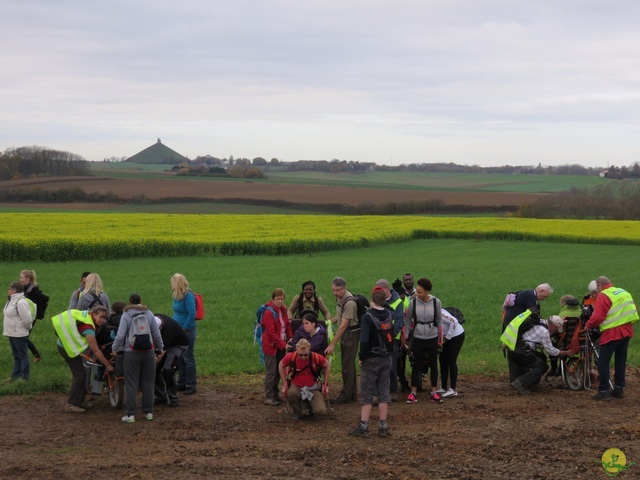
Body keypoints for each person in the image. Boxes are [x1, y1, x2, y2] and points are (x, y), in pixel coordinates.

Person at [349, 286, 393, 438]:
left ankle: (364, 426)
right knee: (383, 391)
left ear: (372, 300)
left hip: (371, 358)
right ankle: (383, 426)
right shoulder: (388, 314)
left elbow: (364, 340)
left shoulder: (368, 317)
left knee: (367, 393)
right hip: (386, 358)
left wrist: (362, 357)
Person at [52, 305, 114, 413]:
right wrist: (108, 365)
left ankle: (79, 401)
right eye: (101, 317)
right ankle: (71, 404)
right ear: (93, 314)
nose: (103, 320)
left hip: (66, 344)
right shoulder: (88, 329)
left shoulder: (87, 316)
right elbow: (95, 350)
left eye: (105, 318)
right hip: (66, 348)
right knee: (79, 375)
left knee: (82, 374)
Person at [585, 276, 638, 401]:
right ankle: (619, 388)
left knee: (603, 361)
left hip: (612, 332)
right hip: (627, 331)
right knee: (620, 360)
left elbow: (598, 317)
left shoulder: (604, 295)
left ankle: (604, 390)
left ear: (599, 285)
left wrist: (588, 325)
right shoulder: (624, 292)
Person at [112, 302, 164, 422]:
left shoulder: (126, 315)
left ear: (130, 302)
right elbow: (156, 334)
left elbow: (120, 335)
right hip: (149, 352)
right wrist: (160, 348)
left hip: (131, 352)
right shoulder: (149, 314)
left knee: (131, 383)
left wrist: (115, 349)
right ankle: (149, 412)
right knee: (149, 382)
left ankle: (130, 415)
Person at [502, 312, 572, 395]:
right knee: (541, 366)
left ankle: (531, 383)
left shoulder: (540, 321)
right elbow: (551, 351)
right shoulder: (544, 332)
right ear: (552, 325)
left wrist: (560, 321)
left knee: (542, 358)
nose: (556, 331)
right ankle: (520, 383)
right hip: (521, 352)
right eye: (556, 328)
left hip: (514, 349)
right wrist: (566, 352)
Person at [502, 283, 553, 382]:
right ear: (541, 291)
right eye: (545, 296)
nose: (544, 298)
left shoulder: (528, 295)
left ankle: (517, 378)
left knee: (514, 350)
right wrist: (542, 325)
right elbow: (534, 314)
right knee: (517, 350)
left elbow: (536, 316)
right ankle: (519, 380)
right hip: (513, 326)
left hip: (512, 324)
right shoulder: (529, 295)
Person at [405, 278, 443, 404]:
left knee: (433, 364)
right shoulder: (413, 302)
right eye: (417, 291)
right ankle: (413, 392)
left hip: (432, 337)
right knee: (416, 365)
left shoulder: (436, 302)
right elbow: (408, 319)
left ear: (427, 291)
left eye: (420, 292)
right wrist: (406, 336)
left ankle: (433, 392)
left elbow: (439, 320)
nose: (417, 294)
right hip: (418, 337)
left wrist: (440, 336)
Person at [325, 277, 359, 404]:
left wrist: (332, 344)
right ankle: (352, 394)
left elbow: (344, 325)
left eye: (338, 290)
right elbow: (340, 317)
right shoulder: (340, 299)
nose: (335, 292)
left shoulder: (349, 302)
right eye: (333, 290)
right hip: (346, 333)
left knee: (347, 365)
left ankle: (346, 395)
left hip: (350, 334)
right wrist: (328, 323)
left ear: (344, 288)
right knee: (348, 364)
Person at [279, 339, 330, 419]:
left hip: (312, 386)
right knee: (291, 394)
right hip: (296, 385)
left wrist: (325, 384)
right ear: (296, 350)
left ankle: (311, 408)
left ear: (309, 350)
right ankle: (297, 411)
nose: (303, 357)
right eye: (300, 355)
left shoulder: (316, 357)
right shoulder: (291, 356)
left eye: (306, 355)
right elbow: (281, 365)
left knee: (321, 411)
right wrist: (284, 383)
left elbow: (327, 365)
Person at [261, 288, 292, 406]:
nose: (280, 301)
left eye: (282, 299)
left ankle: (275, 393)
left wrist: (291, 337)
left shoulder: (283, 310)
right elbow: (271, 333)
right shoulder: (269, 313)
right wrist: (284, 345)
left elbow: (287, 325)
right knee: (271, 371)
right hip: (271, 346)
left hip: (281, 345)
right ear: (273, 299)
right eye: (278, 299)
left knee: (280, 370)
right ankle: (268, 396)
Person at [375, 279, 403, 401]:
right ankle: (379, 391)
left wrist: (390, 336)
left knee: (391, 366)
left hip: (392, 339)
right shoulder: (377, 300)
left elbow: (399, 321)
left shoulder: (397, 302)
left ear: (386, 290)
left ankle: (393, 391)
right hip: (378, 339)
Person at [154, 313, 189, 407]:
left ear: (161, 326)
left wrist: (154, 360)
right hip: (163, 345)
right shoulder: (151, 318)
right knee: (154, 370)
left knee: (168, 370)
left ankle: (174, 398)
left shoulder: (168, 330)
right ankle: (160, 396)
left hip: (178, 345)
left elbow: (161, 352)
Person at [170, 273, 198, 395]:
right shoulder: (176, 296)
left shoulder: (188, 296)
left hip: (187, 331)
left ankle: (191, 384)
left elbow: (192, 314)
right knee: (180, 357)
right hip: (177, 331)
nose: (171, 285)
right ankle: (181, 382)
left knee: (188, 358)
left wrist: (183, 328)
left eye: (173, 283)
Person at [3, 282, 33, 381]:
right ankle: (15, 375)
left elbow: (27, 319)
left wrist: (26, 329)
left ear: (14, 290)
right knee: (16, 355)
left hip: (19, 333)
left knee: (22, 356)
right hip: (11, 333)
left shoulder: (21, 302)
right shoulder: (11, 300)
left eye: (9, 289)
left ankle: (24, 377)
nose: (8, 290)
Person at [19, 270, 49, 363]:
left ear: (28, 279)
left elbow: (44, 298)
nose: (20, 280)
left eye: (21, 278)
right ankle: (30, 355)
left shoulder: (33, 289)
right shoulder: (26, 288)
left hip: (31, 317)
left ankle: (36, 355)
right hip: (26, 315)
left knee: (24, 337)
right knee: (23, 337)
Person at [437, 308, 465, 398]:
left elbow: (454, 321)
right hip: (445, 338)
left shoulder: (440, 313)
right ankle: (444, 387)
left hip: (456, 335)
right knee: (442, 360)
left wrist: (447, 338)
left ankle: (453, 389)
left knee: (451, 360)